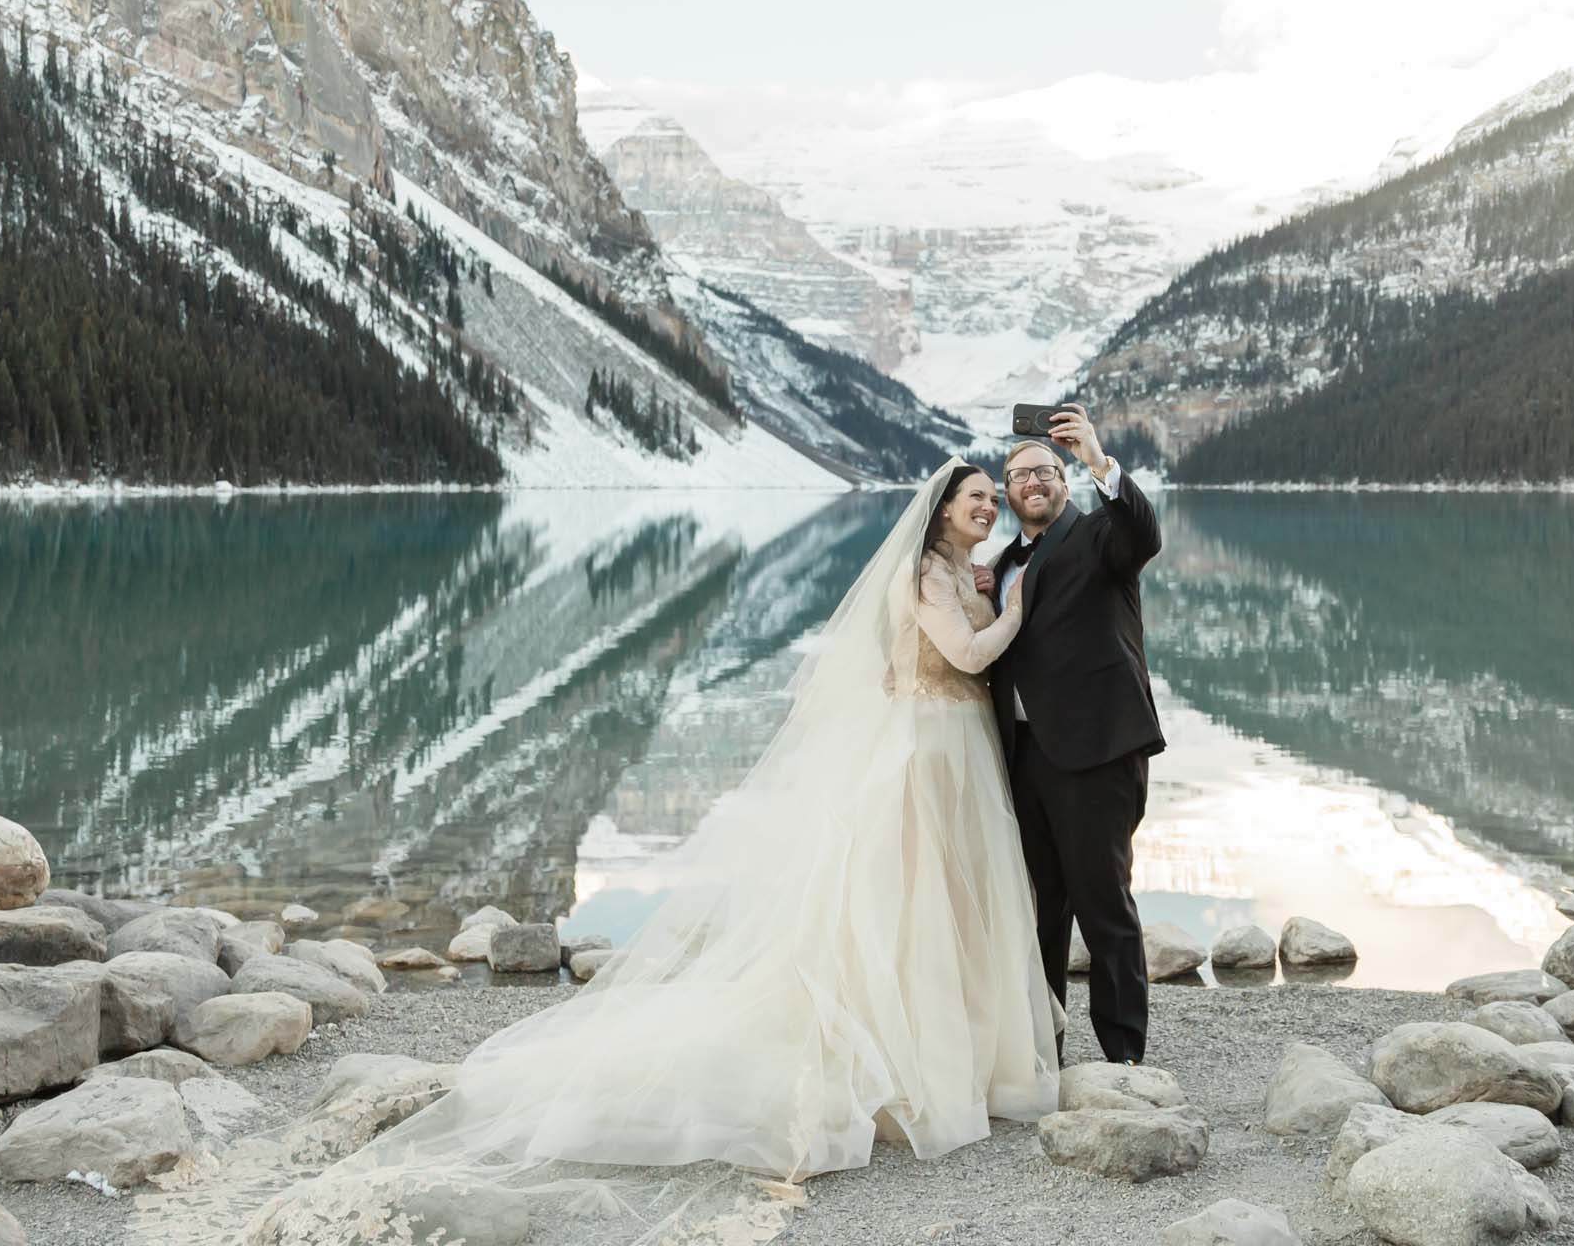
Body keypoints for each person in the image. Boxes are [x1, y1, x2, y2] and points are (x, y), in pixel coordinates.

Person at [238, 459, 1062, 1235]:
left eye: (993, 497)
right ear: (941, 511)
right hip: (930, 751)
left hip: (953, 747)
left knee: (943, 904)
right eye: (975, 498)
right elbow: (966, 654)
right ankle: (924, 1067)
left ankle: (956, 1053)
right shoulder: (926, 574)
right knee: (914, 901)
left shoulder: (961, 573)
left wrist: (993, 586)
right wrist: (1021, 602)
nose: (987, 507)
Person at [980, 402, 1163, 1065]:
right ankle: (1042, 1053)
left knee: (1103, 906)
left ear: (1062, 481)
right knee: (1041, 913)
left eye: (1044, 471)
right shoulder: (1000, 565)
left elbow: (1142, 534)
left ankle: (1124, 1059)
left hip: (1095, 754)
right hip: (1024, 759)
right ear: (1006, 492)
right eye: (1018, 474)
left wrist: (1096, 457)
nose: (1031, 481)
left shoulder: (1099, 539)